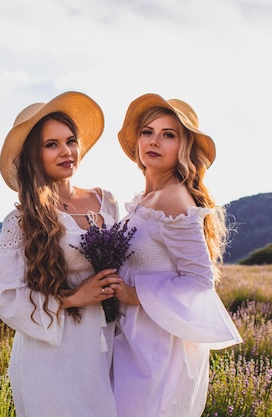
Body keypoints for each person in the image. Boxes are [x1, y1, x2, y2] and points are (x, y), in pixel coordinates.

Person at [110, 93, 243, 417]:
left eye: (168, 134)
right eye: (148, 132)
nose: (154, 141)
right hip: (130, 339)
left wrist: (135, 294)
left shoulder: (174, 199)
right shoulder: (146, 198)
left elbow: (200, 281)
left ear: (183, 147)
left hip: (158, 348)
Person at [0, 91, 121, 417]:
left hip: (107, 343)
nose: (66, 151)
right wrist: (74, 297)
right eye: (52, 144)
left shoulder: (107, 201)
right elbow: (4, 296)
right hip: (52, 350)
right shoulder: (21, 221)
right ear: (35, 155)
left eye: (70, 140)